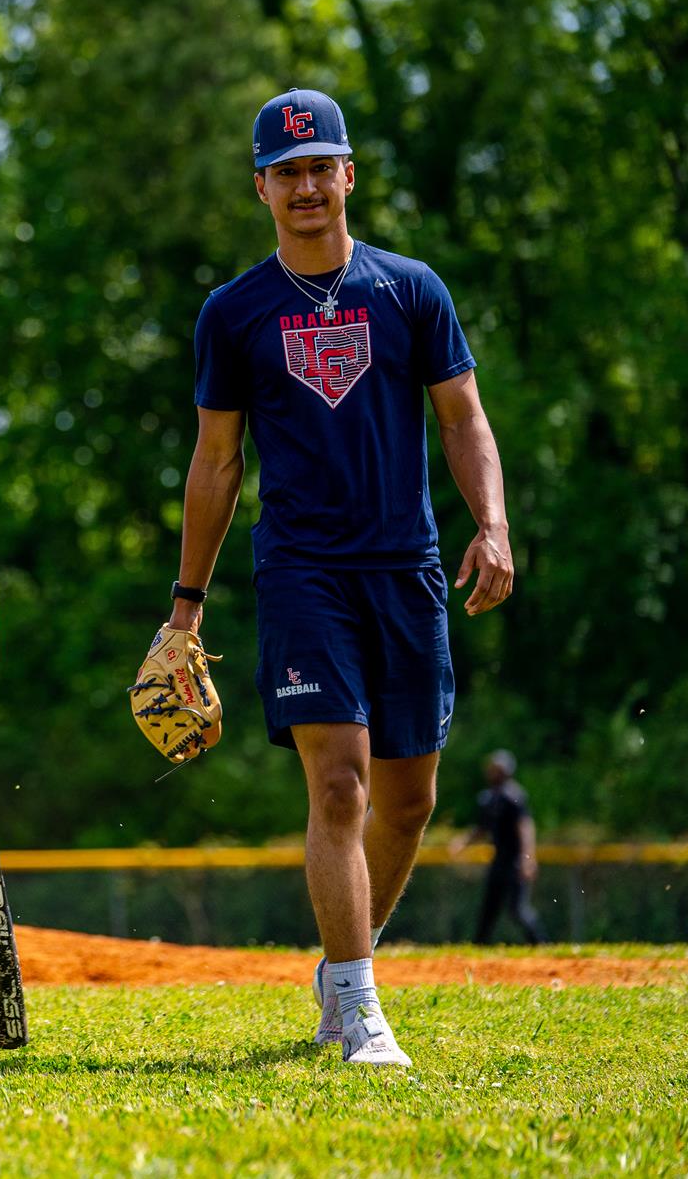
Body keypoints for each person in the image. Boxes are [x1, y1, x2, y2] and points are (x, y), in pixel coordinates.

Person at [168, 89, 514, 1066]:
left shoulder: (410, 290)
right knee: (339, 784)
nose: (306, 186)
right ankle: (359, 1004)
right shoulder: (234, 312)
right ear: (261, 187)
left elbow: (462, 417)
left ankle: (336, 966)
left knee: (409, 801)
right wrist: (185, 605)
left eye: (321, 166)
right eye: (286, 172)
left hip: (405, 568)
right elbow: (216, 462)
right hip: (301, 571)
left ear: (348, 175)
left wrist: (490, 526)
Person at [450, 750, 544, 944]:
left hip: (515, 861)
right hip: (499, 860)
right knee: (489, 908)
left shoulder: (514, 795)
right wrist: (463, 842)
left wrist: (528, 858)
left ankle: (542, 943)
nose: (493, 772)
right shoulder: (489, 798)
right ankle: (479, 946)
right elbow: (482, 828)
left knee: (518, 910)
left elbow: (525, 826)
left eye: (497, 769)